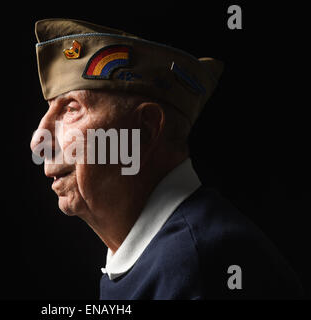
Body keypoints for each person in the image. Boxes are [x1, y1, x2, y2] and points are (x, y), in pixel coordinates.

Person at [30, 18, 303, 299]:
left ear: (145, 131)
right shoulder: (152, 255)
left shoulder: (196, 265)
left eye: (71, 109)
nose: (39, 138)